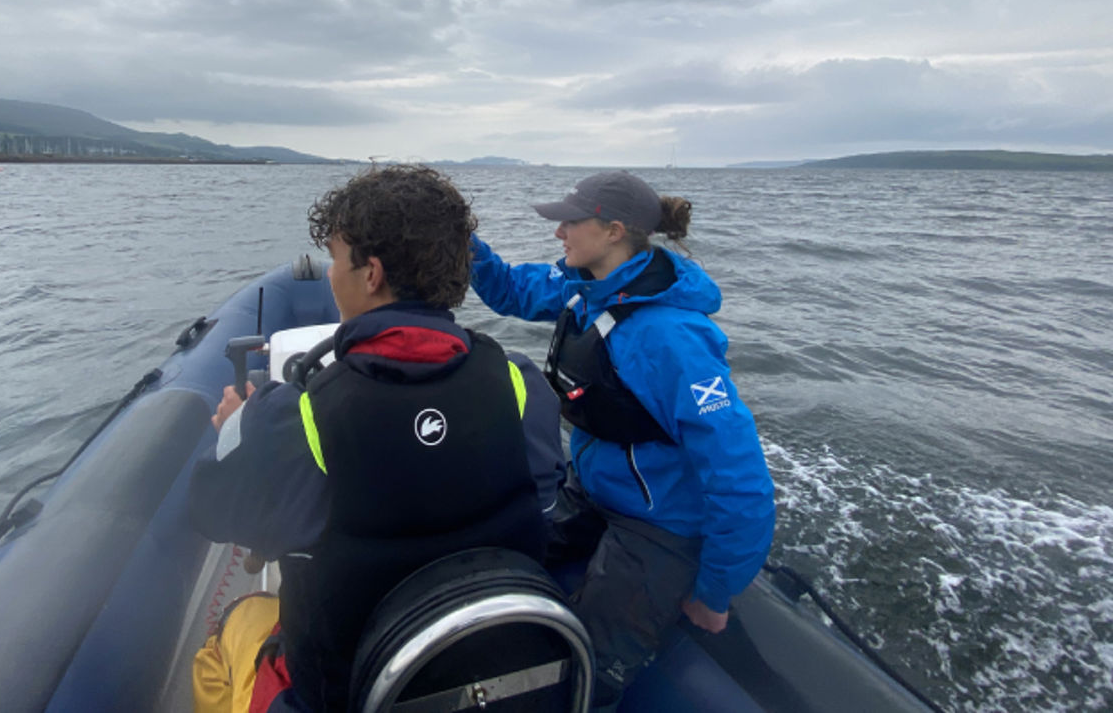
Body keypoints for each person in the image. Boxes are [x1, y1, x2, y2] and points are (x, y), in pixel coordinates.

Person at [187, 165, 564, 712]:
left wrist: (234, 429)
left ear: (371, 274)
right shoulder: (522, 386)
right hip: (489, 676)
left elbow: (214, 513)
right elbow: (544, 505)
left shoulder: (294, 416)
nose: (332, 275)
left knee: (233, 628)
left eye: (338, 260)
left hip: (347, 694)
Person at [468, 170, 776, 707]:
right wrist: (461, 238)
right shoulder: (583, 288)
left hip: (658, 527)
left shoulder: (670, 339)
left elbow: (741, 477)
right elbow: (508, 289)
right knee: (505, 555)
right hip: (593, 489)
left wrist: (715, 592)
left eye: (570, 221)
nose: (559, 231)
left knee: (588, 669)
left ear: (613, 231)